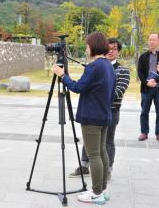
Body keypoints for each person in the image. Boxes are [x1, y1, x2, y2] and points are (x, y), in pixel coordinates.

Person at [52, 32, 115, 205]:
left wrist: (62, 75)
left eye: (87, 46)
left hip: (92, 117)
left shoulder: (95, 67)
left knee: (94, 154)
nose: (86, 49)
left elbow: (78, 87)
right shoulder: (108, 65)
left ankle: (96, 193)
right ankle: (102, 190)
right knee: (101, 152)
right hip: (103, 115)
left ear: (93, 46)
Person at [69, 38, 130, 181]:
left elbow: (118, 90)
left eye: (114, 48)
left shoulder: (121, 70)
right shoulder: (101, 66)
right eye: (108, 47)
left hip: (109, 111)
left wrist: (101, 96)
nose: (110, 51)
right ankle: (85, 167)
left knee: (106, 144)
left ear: (118, 52)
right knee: (93, 143)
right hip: (99, 111)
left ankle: (105, 173)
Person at [137, 33, 159, 141]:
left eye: (154, 40)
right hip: (146, 88)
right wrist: (147, 82)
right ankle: (144, 132)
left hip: (158, 87)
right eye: (150, 40)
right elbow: (140, 72)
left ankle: (158, 133)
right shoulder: (143, 56)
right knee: (144, 111)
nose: (151, 42)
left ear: (158, 41)